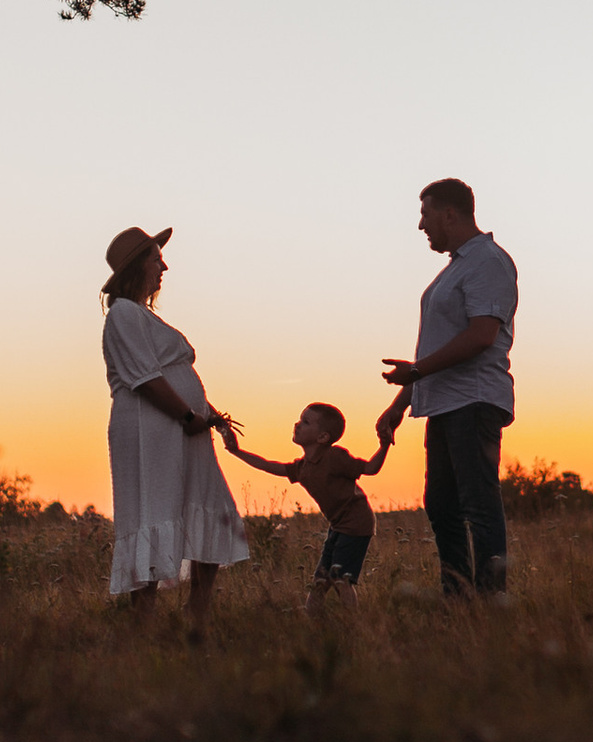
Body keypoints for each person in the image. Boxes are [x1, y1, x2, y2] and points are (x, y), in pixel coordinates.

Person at [99, 224, 249, 635]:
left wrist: (210, 416)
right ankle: (142, 621)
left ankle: (196, 613)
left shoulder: (143, 316)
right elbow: (146, 378)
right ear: (136, 267)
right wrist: (186, 417)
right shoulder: (124, 314)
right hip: (154, 429)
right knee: (153, 508)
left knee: (211, 508)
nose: (164, 265)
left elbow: (171, 371)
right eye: (155, 257)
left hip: (184, 427)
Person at [381, 178, 519, 599]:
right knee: (442, 507)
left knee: (477, 505)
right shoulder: (456, 268)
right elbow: (437, 345)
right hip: (444, 404)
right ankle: (457, 596)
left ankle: (492, 600)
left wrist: (418, 372)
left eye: (425, 215)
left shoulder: (487, 262)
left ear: (449, 214)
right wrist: (400, 403)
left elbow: (481, 335)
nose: (421, 226)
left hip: (473, 401)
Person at [219, 397, 407, 593]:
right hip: (338, 527)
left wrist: (384, 445)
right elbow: (267, 465)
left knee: (341, 580)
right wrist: (235, 451)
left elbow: (370, 468)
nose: (297, 424)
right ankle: (312, 618)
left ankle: (353, 620)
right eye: (300, 419)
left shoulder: (335, 457)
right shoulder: (302, 468)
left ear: (323, 437)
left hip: (356, 525)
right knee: (319, 583)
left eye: (306, 422)